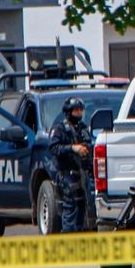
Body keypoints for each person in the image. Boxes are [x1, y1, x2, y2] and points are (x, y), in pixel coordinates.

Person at [47, 97, 94, 233]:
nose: (79, 113)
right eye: (76, 110)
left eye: (81, 110)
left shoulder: (83, 128)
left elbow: (89, 147)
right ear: (68, 112)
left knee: (82, 210)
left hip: (82, 176)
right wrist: (72, 148)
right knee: (70, 211)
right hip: (67, 175)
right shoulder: (60, 129)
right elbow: (53, 148)